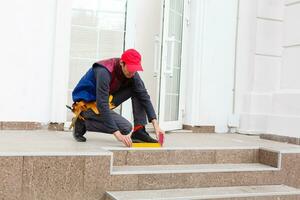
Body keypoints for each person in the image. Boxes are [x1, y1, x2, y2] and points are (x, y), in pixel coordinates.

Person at [71, 49, 165, 147]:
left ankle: (139, 131)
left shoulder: (132, 73)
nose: (132, 73)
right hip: (86, 104)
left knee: (138, 88)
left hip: (105, 100)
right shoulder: (103, 71)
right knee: (125, 128)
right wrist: (117, 134)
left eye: (135, 69)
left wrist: (156, 125)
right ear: (121, 63)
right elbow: (102, 104)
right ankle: (83, 123)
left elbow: (144, 96)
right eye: (130, 69)